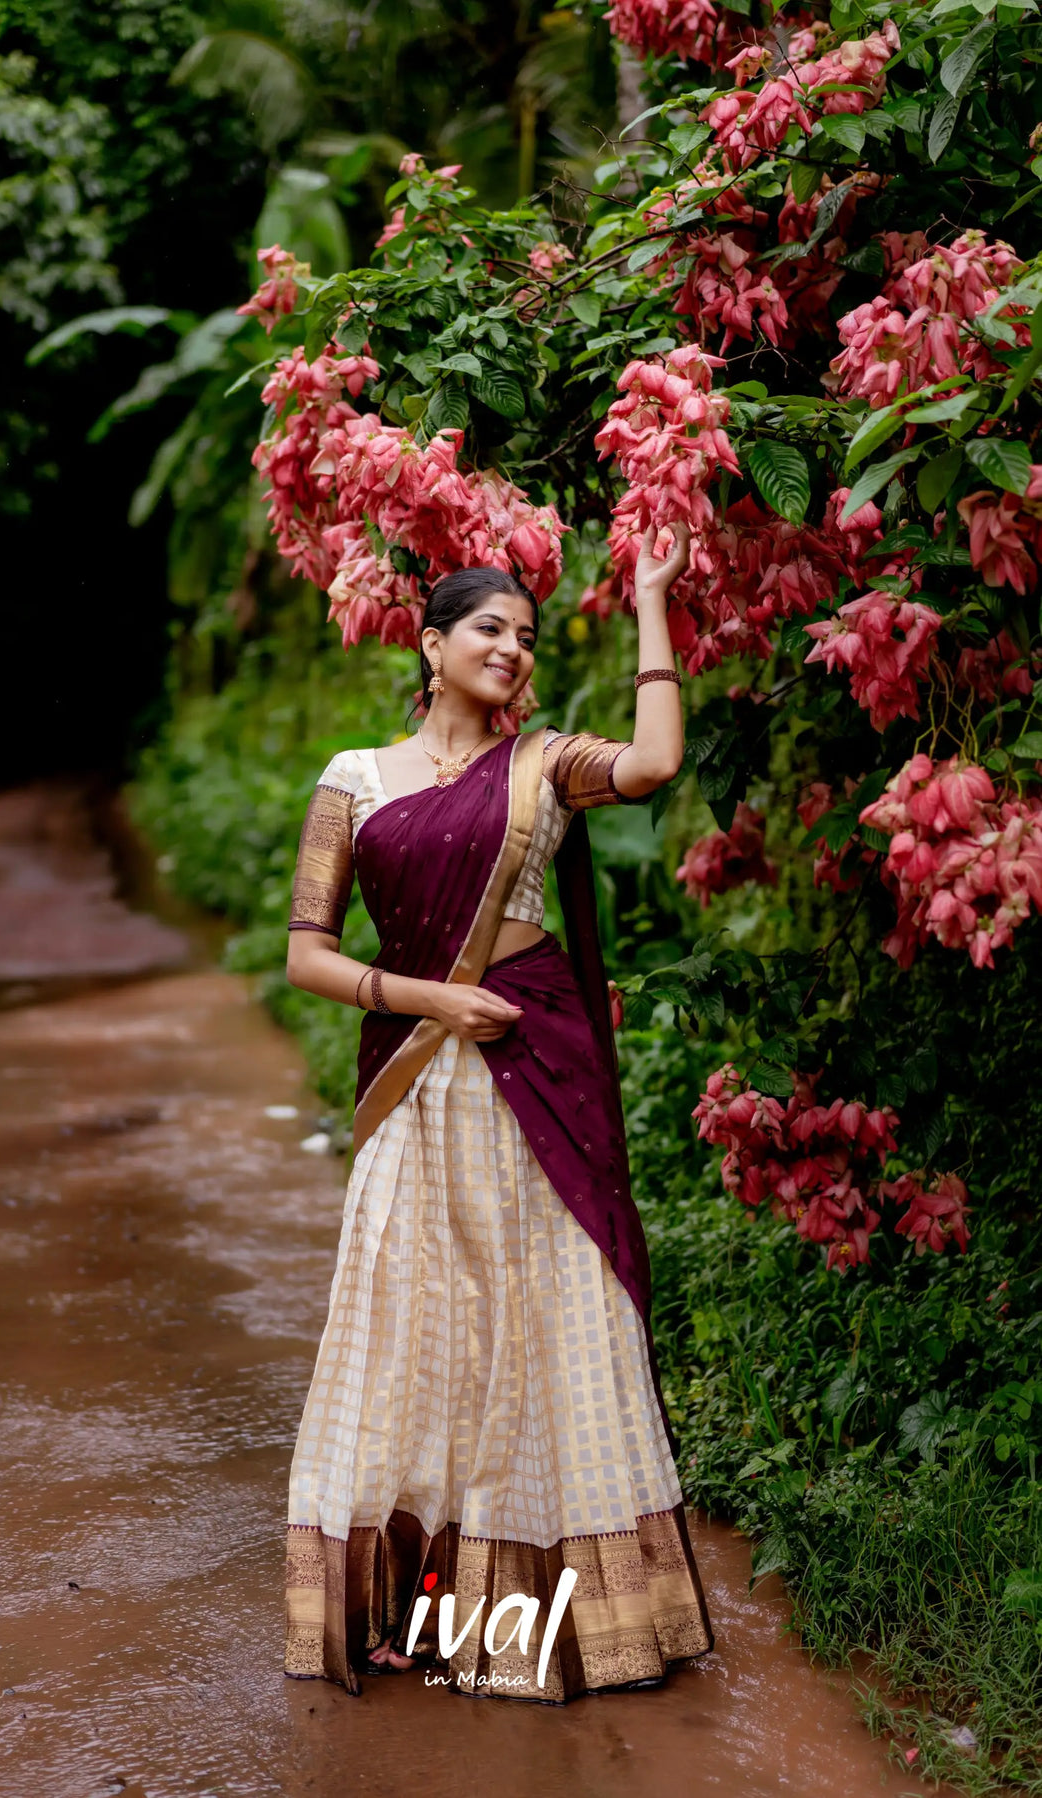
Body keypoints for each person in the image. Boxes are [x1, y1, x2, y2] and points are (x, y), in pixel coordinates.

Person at [283, 523, 714, 1702]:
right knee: (409, 1320)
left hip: (534, 1068)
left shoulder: (542, 765)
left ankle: (558, 1616)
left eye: (525, 637)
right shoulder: (351, 781)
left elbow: (651, 766)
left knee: (548, 1318)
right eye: (489, 630)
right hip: (420, 1069)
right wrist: (433, 999)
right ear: (429, 646)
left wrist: (647, 604)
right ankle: (414, 1608)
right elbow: (306, 956)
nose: (513, 652)